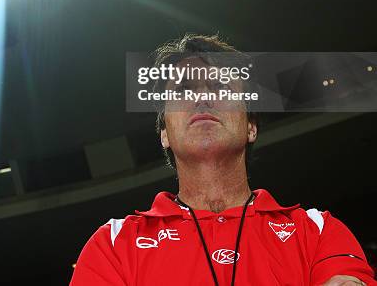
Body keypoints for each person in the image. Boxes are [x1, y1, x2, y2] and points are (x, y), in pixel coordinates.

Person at [70, 33, 376, 285]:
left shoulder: (318, 230)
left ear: (251, 127)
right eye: (184, 90)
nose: (202, 98)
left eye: (220, 87)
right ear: (164, 134)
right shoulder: (112, 244)